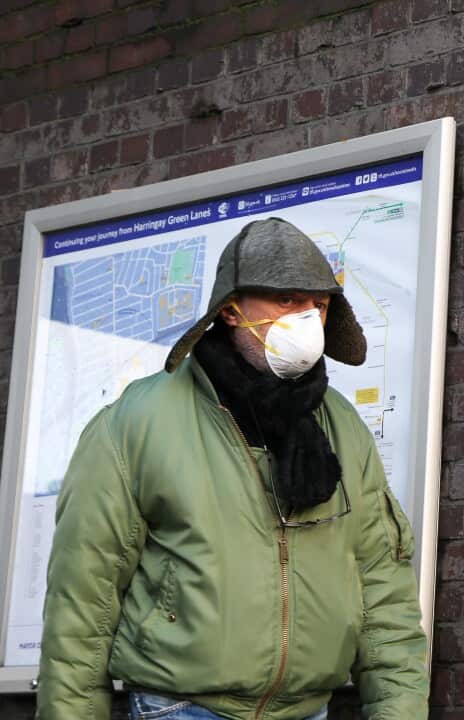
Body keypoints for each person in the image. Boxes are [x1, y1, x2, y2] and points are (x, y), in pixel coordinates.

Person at [37, 218, 429, 719]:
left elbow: (383, 594)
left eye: (319, 304)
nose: (307, 316)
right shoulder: (137, 423)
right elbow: (82, 604)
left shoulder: (342, 429)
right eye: (287, 300)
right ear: (230, 310)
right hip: (180, 709)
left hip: (309, 711)